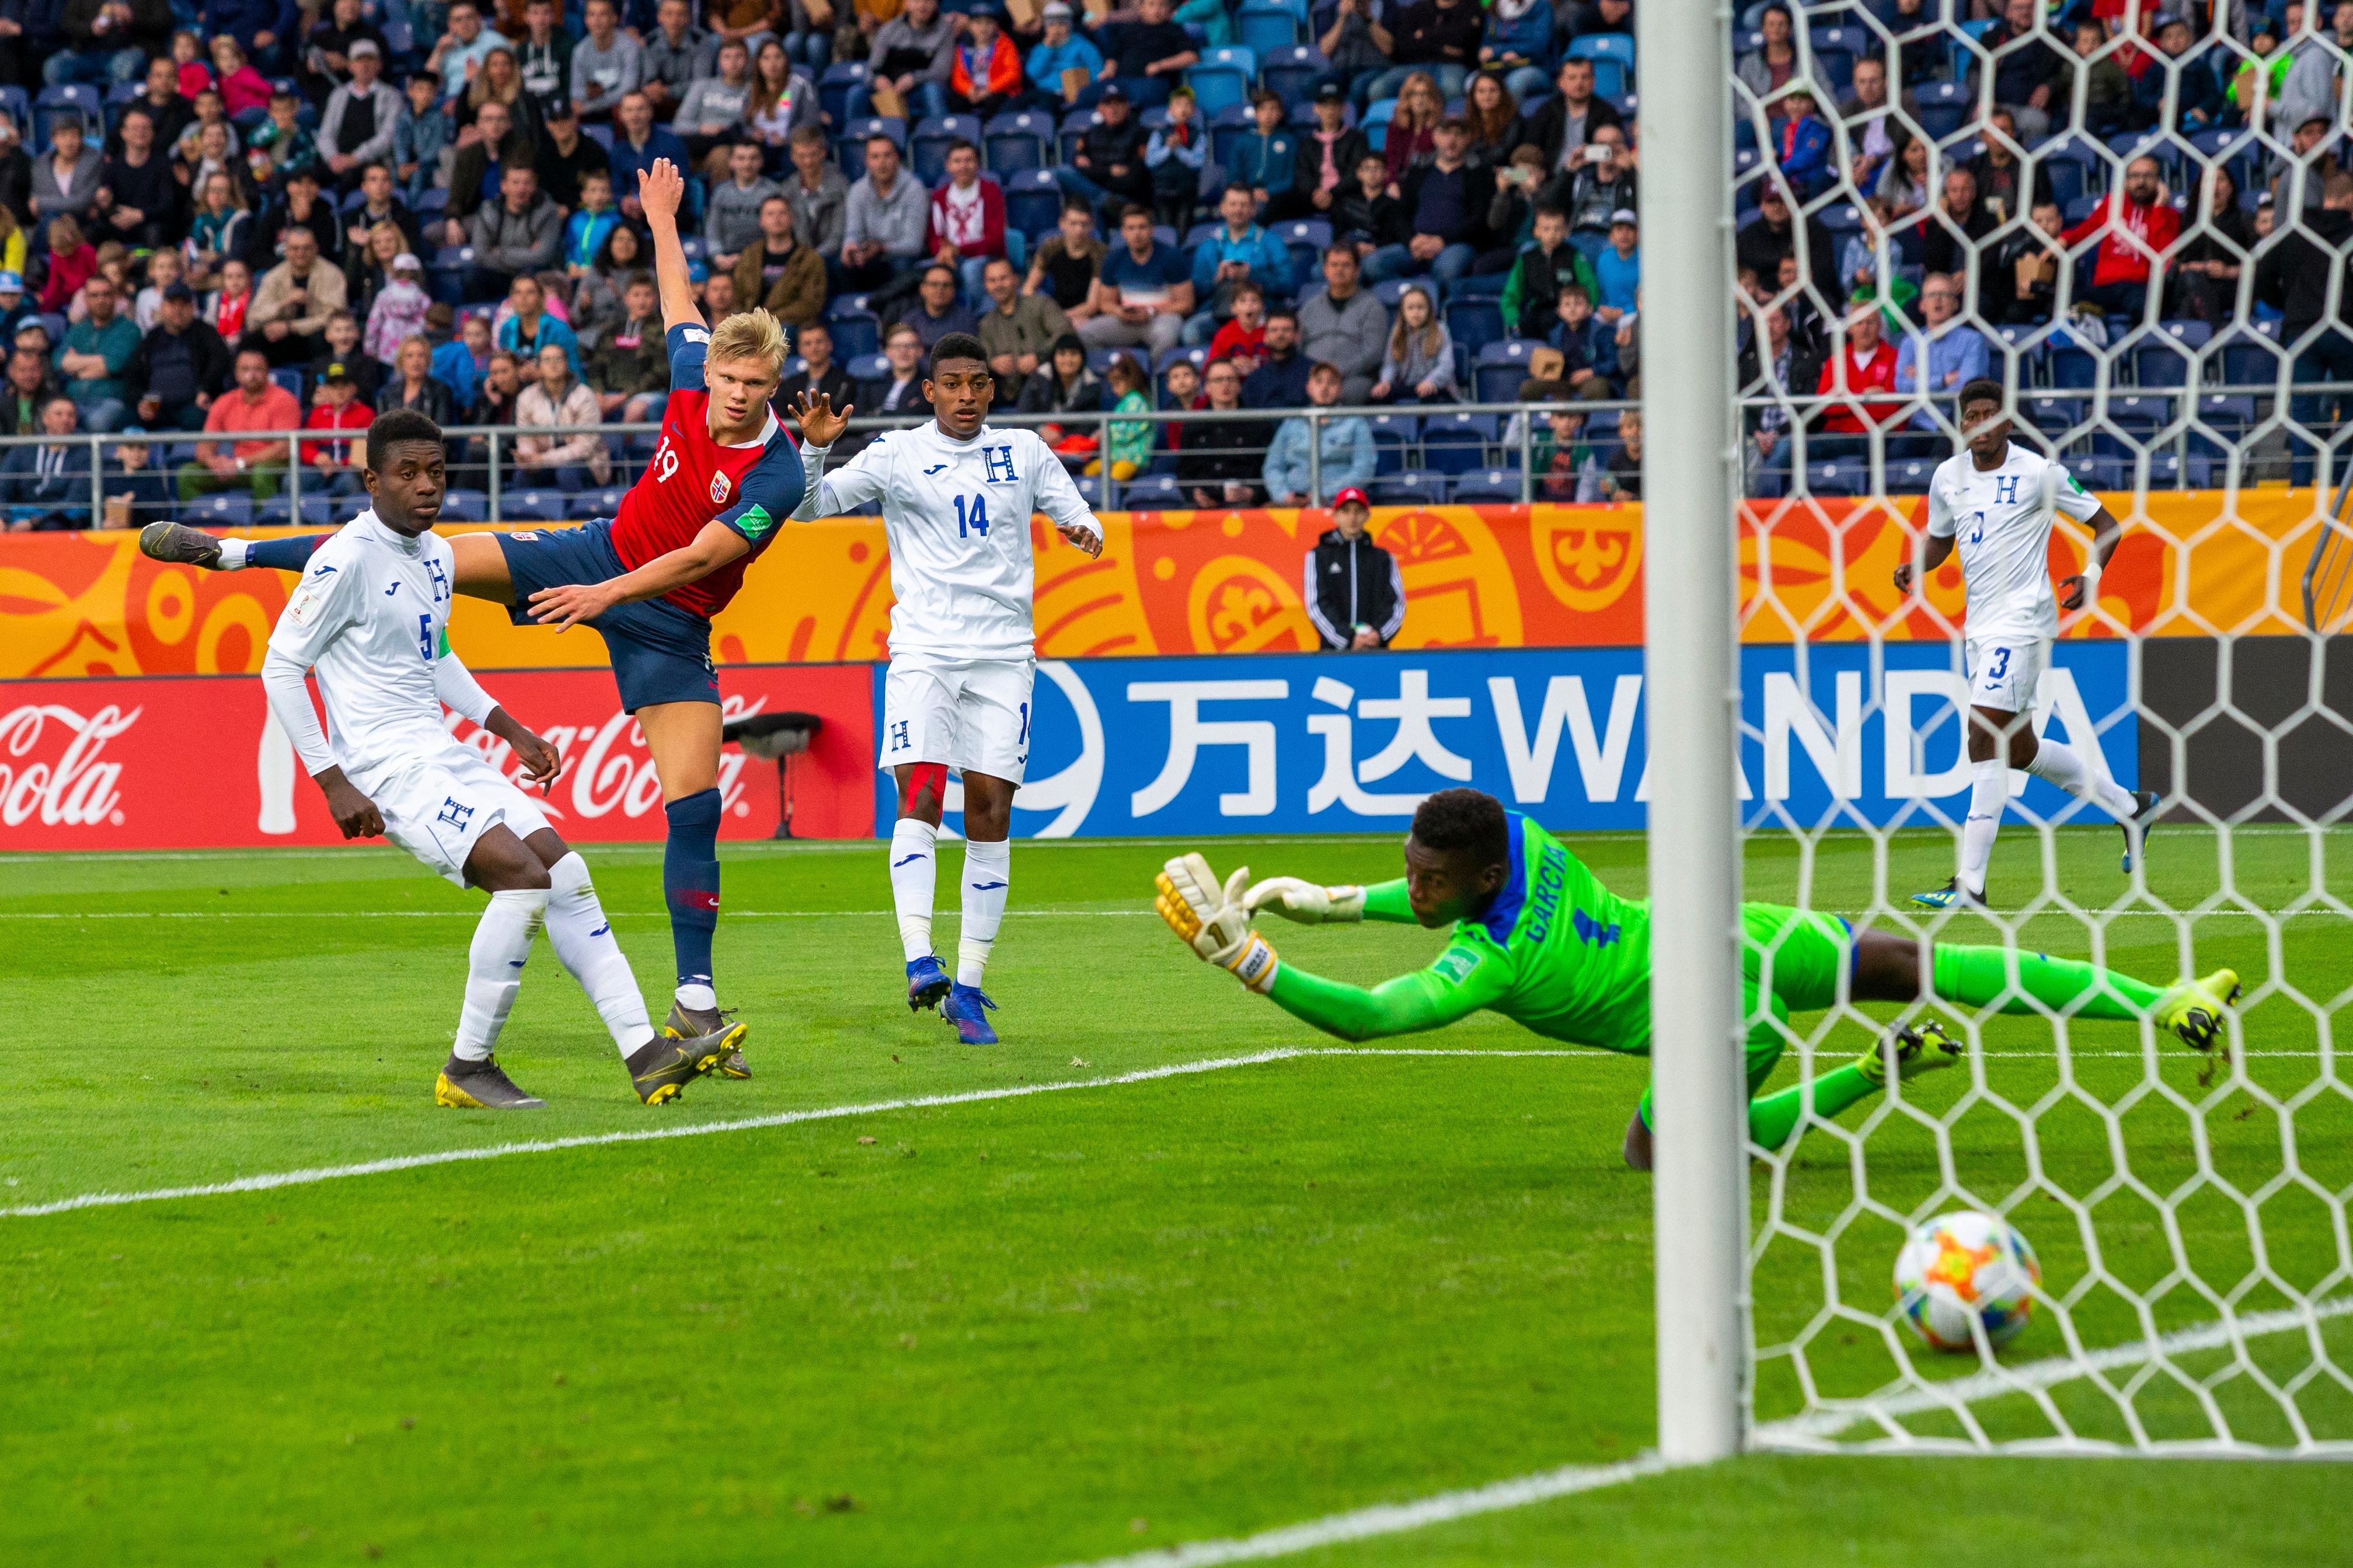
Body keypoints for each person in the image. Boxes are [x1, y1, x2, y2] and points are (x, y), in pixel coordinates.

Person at [147, 159, 807, 1072]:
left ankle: (693, 1000)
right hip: (596, 550)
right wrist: (658, 218)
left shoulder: (781, 473)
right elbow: (676, 301)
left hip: (664, 615)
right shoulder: (694, 372)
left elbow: (701, 557)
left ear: (775, 384)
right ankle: (231, 552)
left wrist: (604, 597)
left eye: (753, 383)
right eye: (727, 376)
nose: (733, 392)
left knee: (694, 807)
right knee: (417, 547)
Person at [1159, 789, 2239, 1171]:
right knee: (1930, 962)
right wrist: (1331, 901)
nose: (1414, 887)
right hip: (1745, 936)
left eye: (1427, 877)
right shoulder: (1525, 842)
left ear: (1480, 876)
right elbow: (1433, 890)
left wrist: (1258, 961)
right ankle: (2166, 1000)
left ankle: (1868, 1076)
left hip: (1717, 1019)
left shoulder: (1493, 962)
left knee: (1660, 1155)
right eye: (1408, 868)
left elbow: (1372, 1016)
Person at [258, 409, 745, 1108]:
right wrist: (333, 781)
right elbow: (281, 669)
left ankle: (647, 1055)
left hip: (437, 751)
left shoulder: (432, 554)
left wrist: (510, 729)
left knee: (566, 871)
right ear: (372, 480)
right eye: (408, 473)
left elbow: (437, 658)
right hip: (384, 769)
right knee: (521, 879)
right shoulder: (345, 559)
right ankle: (468, 1066)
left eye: (436, 472)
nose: (426, 487)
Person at [784, 332, 1103, 1043]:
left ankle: (968, 986)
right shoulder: (897, 453)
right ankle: (918, 957)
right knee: (922, 793)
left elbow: (1075, 509)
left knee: (989, 812)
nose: (966, 395)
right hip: (924, 651)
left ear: (992, 388)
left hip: (1003, 656)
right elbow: (809, 508)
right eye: (951, 383)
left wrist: (1085, 530)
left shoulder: (1022, 451)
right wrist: (813, 449)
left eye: (978, 383)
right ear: (928, 391)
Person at [1895, 379, 2159, 908]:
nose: (1981, 423)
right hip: (1981, 626)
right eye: (1971, 415)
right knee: (2018, 748)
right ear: (1963, 424)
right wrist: (1914, 567)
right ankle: (2130, 807)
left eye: (1991, 413)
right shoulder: (1947, 477)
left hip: (2026, 622)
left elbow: (2107, 525)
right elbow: (1941, 540)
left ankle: (1970, 883)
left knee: (1982, 733)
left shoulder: (2039, 473)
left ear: (2007, 423)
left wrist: (2089, 576)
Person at [2254, 170, 2353, 486]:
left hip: (2301, 331)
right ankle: (2339, 486)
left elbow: (2262, 277)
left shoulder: (2293, 231)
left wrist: (2292, 305)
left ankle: (2300, 485)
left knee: (2303, 411)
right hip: (2345, 330)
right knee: (2349, 410)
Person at [1367, 117, 1493, 289]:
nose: (1451, 140)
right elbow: (1400, 214)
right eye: (1446, 133)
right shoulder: (1418, 171)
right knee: (1372, 264)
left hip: (1454, 245)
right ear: (1436, 137)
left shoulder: (1479, 173)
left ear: (1467, 139)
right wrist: (1412, 240)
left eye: (1457, 134)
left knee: (1448, 269)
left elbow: (1479, 220)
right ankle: (1408, 298)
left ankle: (1426, 303)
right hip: (1416, 243)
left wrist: (1442, 241)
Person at [2057, 155, 2179, 324]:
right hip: (2106, 285)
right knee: (2062, 302)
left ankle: (2137, 348)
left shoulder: (2169, 216)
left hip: (2141, 286)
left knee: (2146, 307)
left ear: (2159, 182)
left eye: (2148, 176)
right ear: (2126, 181)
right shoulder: (2113, 204)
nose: (2141, 182)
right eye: (2135, 176)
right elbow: (2086, 231)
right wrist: (2063, 240)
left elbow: (2162, 255)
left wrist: (2159, 210)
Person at [178, 344, 303, 500]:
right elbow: (205, 444)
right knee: (187, 474)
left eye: (258, 369)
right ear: (236, 374)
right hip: (235, 468)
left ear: (267, 373)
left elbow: (283, 450)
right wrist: (213, 462)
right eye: (245, 370)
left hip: (274, 465)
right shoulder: (225, 401)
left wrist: (239, 463)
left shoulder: (284, 400)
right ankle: (197, 521)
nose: (252, 375)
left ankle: (265, 523)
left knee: (262, 473)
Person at [1186, 183, 1291, 346]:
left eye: (1244, 205)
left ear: (1253, 209)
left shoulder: (1271, 242)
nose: (1238, 210)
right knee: (1191, 331)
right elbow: (1196, 290)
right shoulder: (1208, 246)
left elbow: (1288, 285)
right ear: (1222, 208)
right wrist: (1217, 278)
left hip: (1260, 312)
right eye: (1233, 204)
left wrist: (1252, 274)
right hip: (1218, 312)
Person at [1080, 202, 1192, 356]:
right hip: (1126, 320)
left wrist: (1151, 312)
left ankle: (1153, 379)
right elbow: (1106, 303)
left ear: (1152, 230)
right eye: (1131, 228)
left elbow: (1187, 304)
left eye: (1142, 227)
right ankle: (1111, 375)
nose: (1137, 233)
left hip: (1160, 317)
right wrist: (1119, 311)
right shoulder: (1114, 259)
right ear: (1123, 232)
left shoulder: (1171, 256)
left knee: (1166, 337)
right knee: (1085, 333)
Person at [1303, 485, 1403, 649]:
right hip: (1333, 655)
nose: (1352, 517)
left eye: (1358, 511)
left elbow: (1396, 604)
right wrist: (1348, 640)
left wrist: (1378, 635)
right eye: (1346, 511)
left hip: (1376, 653)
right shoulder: (1317, 556)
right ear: (1335, 516)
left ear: (1367, 515)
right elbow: (1316, 606)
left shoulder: (1384, 558)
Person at [1263, 361, 1375, 505]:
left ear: (1340, 390)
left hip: (1338, 502)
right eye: (1319, 381)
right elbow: (1272, 467)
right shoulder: (1291, 423)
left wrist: (1323, 494)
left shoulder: (1356, 423)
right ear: (1309, 388)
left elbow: (1363, 470)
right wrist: (1284, 495)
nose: (1325, 387)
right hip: (1292, 502)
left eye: (1332, 383)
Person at [127, 282, 232, 431]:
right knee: (126, 419)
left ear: (192, 308)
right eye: (172, 304)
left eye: (184, 304)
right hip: (155, 403)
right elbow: (133, 376)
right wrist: (139, 402)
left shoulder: (206, 332)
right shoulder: (151, 338)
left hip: (193, 403)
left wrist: (206, 390)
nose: (178, 310)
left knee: (199, 418)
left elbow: (220, 363)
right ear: (162, 308)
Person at [1892, 274, 1988, 435]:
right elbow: (1902, 388)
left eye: (1944, 295)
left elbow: (1965, 391)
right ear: (1922, 305)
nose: (1937, 300)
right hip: (1921, 423)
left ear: (1956, 304)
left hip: (1958, 423)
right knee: (1892, 455)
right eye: (1931, 295)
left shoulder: (1973, 340)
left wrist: (1922, 380)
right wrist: (1942, 381)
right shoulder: (1911, 343)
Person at [836, 134, 929, 298]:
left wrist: (882, 248)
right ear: (867, 161)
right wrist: (850, 247)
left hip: (900, 256)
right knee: (841, 266)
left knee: (902, 266)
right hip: (871, 257)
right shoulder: (858, 190)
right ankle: (855, 314)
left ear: (897, 158)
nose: (882, 163)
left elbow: (914, 244)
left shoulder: (915, 189)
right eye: (875, 157)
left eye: (887, 155)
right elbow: (853, 232)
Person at [1296, 247, 1388, 406]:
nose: (1339, 270)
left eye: (1346, 265)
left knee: (1346, 393)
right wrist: (1316, 376)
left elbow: (1374, 352)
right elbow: (1298, 346)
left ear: (1357, 271)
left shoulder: (1372, 306)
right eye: (1334, 265)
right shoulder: (1309, 307)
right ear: (1325, 270)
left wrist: (1336, 373)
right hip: (1311, 376)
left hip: (1353, 379)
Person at [514, 340, 611, 488]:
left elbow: (584, 447)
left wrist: (543, 459)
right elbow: (525, 438)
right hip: (542, 460)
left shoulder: (584, 396)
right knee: (521, 476)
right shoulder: (526, 397)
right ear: (539, 367)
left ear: (567, 363)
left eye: (558, 359)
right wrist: (528, 456)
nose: (553, 364)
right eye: (547, 360)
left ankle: (576, 512)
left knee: (567, 472)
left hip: (586, 463)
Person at [251, 224, 348, 366]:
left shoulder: (332, 274)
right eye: (295, 248)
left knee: (323, 337)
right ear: (286, 251)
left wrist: (291, 327)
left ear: (316, 248)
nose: (301, 253)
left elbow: (335, 317)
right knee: (252, 340)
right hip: (282, 340)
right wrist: (283, 303)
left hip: (315, 338)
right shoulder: (274, 276)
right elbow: (254, 318)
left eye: (306, 248)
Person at [978, 256, 1069, 404]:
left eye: (1003, 278)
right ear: (986, 286)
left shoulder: (1041, 304)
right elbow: (981, 357)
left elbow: (1065, 332)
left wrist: (1038, 357)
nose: (998, 285)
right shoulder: (986, 323)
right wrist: (992, 363)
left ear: (1016, 279)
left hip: (1048, 384)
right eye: (992, 281)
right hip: (1007, 390)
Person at [925, 140, 1008, 305]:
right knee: (929, 274)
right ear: (948, 165)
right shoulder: (939, 196)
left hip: (985, 257)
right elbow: (934, 236)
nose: (963, 166)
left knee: (970, 269)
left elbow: (996, 240)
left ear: (978, 164)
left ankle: (980, 317)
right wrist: (943, 251)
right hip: (952, 257)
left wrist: (959, 250)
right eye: (957, 161)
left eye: (969, 160)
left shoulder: (990, 191)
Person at [1177, 355, 1266, 507]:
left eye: (1231, 379)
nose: (1225, 385)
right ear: (1207, 387)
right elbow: (1183, 471)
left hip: (1245, 505)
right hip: (1202, 505)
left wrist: (1253, 492)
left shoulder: (1258, 425)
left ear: (1239, 385)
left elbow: (1268, 470)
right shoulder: (1193, 425)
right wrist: (1194, 493)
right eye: (1218, 380)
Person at [55, 272, 140, 431]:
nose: (101, 300)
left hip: (111, 400)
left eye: (106, 295)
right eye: (94, 296)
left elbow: (114, 364)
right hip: (74, 400)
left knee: (97, 423)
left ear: (115, 297)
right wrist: (100, 363)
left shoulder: (129, 329)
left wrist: (76, 369)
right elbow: (59, 361)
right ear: (86, 300)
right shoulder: (77, 330)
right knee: (51, 420)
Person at [1056, 83, 1151, 220]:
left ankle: (1104, 200)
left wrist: (1094, 173)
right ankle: (1104, 200)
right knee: (1063, 172)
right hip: (1103, 196)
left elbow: (1134, 179)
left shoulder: (1141, 134)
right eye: (1108, 104)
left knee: (1092, 200)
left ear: (1127, 107)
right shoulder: (1091, 133)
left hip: (1127, 201)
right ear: (1100, 109)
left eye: (1118, 104)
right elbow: (1077, 166)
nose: (1113, 109)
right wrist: (1109, 171)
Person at [319, 40, 402, 191]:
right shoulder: (338, 95)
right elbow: (325, 134)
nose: (364, 65)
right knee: (298, 178)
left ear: (379, 65)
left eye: (370, 60)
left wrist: (355, 158)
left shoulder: (392, 96)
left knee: (349, 179)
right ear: (350, 66)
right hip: (337, 161)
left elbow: (387, 138)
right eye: (359, 60)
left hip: (373, 162)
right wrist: (332, 158)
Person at [470, 164, 563, 299]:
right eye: (515, 183)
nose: (521, 189)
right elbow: (479, 254)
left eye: (527, 183)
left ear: (534, 186)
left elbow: (542, 257)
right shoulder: (489, 210)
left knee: (535, 272)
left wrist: (499, 252)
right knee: (473, 276)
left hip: (531, 274)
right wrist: (528, 253)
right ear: (504, 186)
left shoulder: (547, 212)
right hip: (500, 274)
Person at [1283, 82, 1370, 225]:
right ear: (1316, 109)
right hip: (1314, 195)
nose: (1330, 111)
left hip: (1343, 196)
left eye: (1335, 105)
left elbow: (1356, 173)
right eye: (1325, 106)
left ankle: (1341, 247)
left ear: (1343, 109)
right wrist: (1315, 192)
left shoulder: (1357, 138)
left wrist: (1332, 193)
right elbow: (1302, 174)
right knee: (1279, 204)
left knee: (1344, 209)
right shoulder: (1308, 142)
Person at [730, 194, 825, 326]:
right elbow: (737, 295)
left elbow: (810, 304)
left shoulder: (810, 259)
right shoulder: (749, 255)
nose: (777, 218)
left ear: (791, 218)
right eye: (770, 214)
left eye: (782, 213)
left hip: (788, 325)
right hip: (751, 325)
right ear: (761, 221)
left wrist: (769, 319)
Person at [852, 0, 954, 121]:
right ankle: (854, 137)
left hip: (921, 88)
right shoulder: (890, 29)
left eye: (928, 1)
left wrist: (914, 79)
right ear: (906, 3)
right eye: (917, 1)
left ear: (936, 4)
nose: (922, 6)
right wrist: (876, 80)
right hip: (889, 90)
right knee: (856, 93)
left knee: (932, 90)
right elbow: (870, 70)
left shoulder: (945, 31)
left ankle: (939, 136)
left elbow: (942, 72)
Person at [1364, 0, 1483, 102]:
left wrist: (1424, 34)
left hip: (1451, 65)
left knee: (1452, 89)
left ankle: (1447, 127)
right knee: (1377, 90)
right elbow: (1403, 44)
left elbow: (1464, 39)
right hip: (1413, 65)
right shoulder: (1419, 8)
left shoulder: (1473, 7)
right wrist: (1442, 48)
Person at [1087, 0, 1197, 111]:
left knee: (1144, 95)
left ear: (1169, 9)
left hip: (1152, 81)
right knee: (1085, 95)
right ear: (1141, 8)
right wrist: (1108, 69)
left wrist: (1160, 65)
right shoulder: (1128, 29)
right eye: (1151, 5)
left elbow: (1191, 56)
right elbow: (1114, 56)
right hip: (1120, 81)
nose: (1156, 10)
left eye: (1162, 5)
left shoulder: (1174, 30)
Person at [589, 271, 670, 420]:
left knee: (635, 409)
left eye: (647, 295)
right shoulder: (611, 331)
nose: (642, 301)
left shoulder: (663, 330)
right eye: (636, 295)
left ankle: (627, 445)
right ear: (626, 299)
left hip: (648, 394)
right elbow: (596, 365)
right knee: (586, 407)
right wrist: (599, 393)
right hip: (608, 393)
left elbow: (660, 373)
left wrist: (623, 397)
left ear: (656, 299)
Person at [1024, 200, 1106, 329]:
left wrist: (1060, 317)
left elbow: (1092, 305)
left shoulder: (1100, 253)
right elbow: (1029, 288)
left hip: (1088, 317)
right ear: (1062, 224)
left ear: (1092, 226)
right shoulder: (1050, 247)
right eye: (1073, 224)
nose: (1079, 230)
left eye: (1084, 224)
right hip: (1058, 310)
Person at [1370, 285, 1455, 404]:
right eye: (1410, 308)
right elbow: (1390, 364)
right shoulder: (1397, 331)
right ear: (1403, 311)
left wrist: (1432, 382)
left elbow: (1446, 365)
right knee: (1379, 397)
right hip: (1407, 386)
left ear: (1429, 310)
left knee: (1430, 398)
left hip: (1435, 387)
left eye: (1421, 308)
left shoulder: (1440, 330)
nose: (1416, 313)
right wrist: (1385, 382)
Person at [300, 359, 374, 494]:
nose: (339, 391)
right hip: (320, 467)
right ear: (326, 390)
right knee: (293, 479)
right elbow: (306, 446)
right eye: (334, 386)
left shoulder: (365, 413)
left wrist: (340, 465)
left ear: (354, 388)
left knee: (349, 482)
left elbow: (365, 451)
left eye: (344, 385)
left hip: (349, 468)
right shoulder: (317, 414)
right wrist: (316, 457)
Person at [1144, 85, 1207, 232]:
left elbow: (1197, 162)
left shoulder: (1198, 135)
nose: (1183, 109)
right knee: (1166, 230)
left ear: (1193, 111)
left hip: (1187, 190)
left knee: (1183, 229)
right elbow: (1150, 161)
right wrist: (1168, 149)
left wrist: (1178, 149)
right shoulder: (1159, 134)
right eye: (1179, 105)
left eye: (1188, 105)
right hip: (1163, 190)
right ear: (1170, 110)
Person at [571, 0, 646, 124]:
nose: (597, 21)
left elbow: (628, 90)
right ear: (586, 20)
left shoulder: (630, 47)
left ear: (614, 18)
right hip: (591, 117)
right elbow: (576, 93)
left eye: (603, 14)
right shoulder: (580, 51)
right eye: (592, 15)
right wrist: (587, 93)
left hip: (624, 115)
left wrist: (590, 106)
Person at [781, 123, 850, 257]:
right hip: (800, 257)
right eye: (802, 156)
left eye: (813, 155)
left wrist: (811, 260)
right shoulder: (787, 190)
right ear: (792, 157)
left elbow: (838, 236)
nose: (808, 162)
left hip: (832, 257)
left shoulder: (840, 186)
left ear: (823, 153)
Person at [495, 272, 584, 376]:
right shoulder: (507, 328)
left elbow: (574, 370)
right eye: (518, 293)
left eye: (530, 292)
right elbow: (504, 365)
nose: (523, 297)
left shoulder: (559, 329)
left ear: (541, 297)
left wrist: (541, 375)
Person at [947, 4, 1020, 120]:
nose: (983, 28)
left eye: (988, 23)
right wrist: (969, 90)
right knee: (956, 100)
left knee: (996, 101)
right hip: (973, 92)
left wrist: (989, 90)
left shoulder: (1006, 45)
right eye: (978, 23)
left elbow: (1012, 74)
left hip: (997, 91)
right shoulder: (962, 47)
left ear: (996, 25)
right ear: (970, 26)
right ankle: (963, 133)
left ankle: (989, 131)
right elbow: (957, 76)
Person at [773, 319, 850, 420]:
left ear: (830, 345)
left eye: (819, 342)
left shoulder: (846, 383)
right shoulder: (789, 386)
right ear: (800, 349)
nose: (814, 348)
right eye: (808, 344)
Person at [379, 332, 458, 425]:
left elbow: (441, 427)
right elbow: (383, 431)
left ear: (428, 360)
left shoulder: (441, 391)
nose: (416, 361)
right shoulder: (387, 393)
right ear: (401, 361)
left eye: (421, 355)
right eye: (410, 356)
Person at [858, 320, 933, 416]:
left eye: (909, 346)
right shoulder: (873, 385)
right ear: (888, 352)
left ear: (920, 351)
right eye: (897, 347)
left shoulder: (930, 386)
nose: (903, 352)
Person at [1241, 306, 1309, 408]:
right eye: (1274, 330)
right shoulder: (1255, 380)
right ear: (1265, 337)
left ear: (1297, 336)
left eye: (1286, 330)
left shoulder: (1312, 373)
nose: (1280, 335)